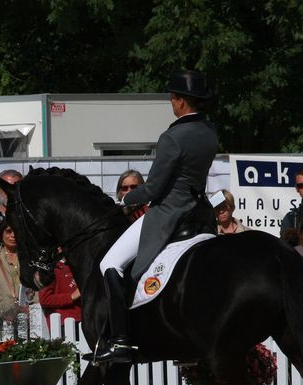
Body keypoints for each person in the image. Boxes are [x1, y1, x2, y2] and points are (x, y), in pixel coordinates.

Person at [97, 69, 218, 363]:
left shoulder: (173, 137)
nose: (171, 103)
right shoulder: (211, 133)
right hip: (199, 213)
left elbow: (153, 188)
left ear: (180, 102)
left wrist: (126, 198)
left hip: (168, 213)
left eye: (172, 98)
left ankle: (121, 340)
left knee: (109, 263)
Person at [0, 221, 38, 324]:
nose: (13, 235)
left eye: (16, 231)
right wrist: (2, 314)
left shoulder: (30, 257)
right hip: (1, 321)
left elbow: (37, 287)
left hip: (29, 318)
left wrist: (33, 310)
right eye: (8, 231)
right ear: (1, 234)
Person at [38, 253, 82, 325]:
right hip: (63, 323)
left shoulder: (80, 263)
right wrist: (71, 296)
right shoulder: (49, 268)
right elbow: (45, 299)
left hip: (85, 318)